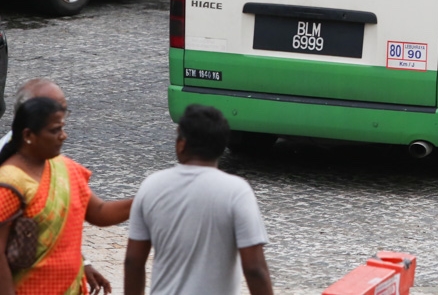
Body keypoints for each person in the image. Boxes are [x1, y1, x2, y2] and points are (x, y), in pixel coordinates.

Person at [124, 105, 272, 295]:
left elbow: (133, 261)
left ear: (182, 144)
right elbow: (254, 269)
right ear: (220, 147)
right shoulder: (236, 192)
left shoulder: (151, 186)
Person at [0, 97, 132, 295]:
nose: (64, 136)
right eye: (55, 130)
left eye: (62, 128)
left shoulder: (66, 168)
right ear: (28, 135)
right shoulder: (11, 183)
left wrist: (144, 200)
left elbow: (99, 212)